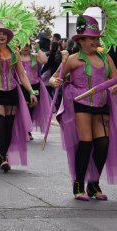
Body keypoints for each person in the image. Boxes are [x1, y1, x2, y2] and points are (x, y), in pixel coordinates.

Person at [50, 15, 117, 200]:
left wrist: (112, 88)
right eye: (92, 39)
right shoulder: (72, 59)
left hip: (102, 104)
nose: (96, 42)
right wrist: (55, 81)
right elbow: (55, 77)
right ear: (81, 41)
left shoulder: (106, 58)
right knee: (86, 143)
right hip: (81, 103)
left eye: (97, 38)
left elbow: (114, 79)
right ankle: (78, 183)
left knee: (103, 143)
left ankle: (93, 184)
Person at [0, 20, 37, 172]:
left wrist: (30, 91)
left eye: (4, 34)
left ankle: (4, 155)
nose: (2, 36)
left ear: (8, 36)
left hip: (12, 91)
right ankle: (3, 156)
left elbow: (22, 74)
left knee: (8, 126)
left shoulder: (14, 52)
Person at [19, 42, 52, 136]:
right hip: (21, 86)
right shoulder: (16, 57)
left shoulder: (35, 56)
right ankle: (24, 130)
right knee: (23, 108)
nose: (25, 48)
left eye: (27, 46)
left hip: (35, 85)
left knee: (31, 107)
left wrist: (37, 48)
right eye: (23, 45)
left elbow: (45, 60)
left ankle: (28, 130)